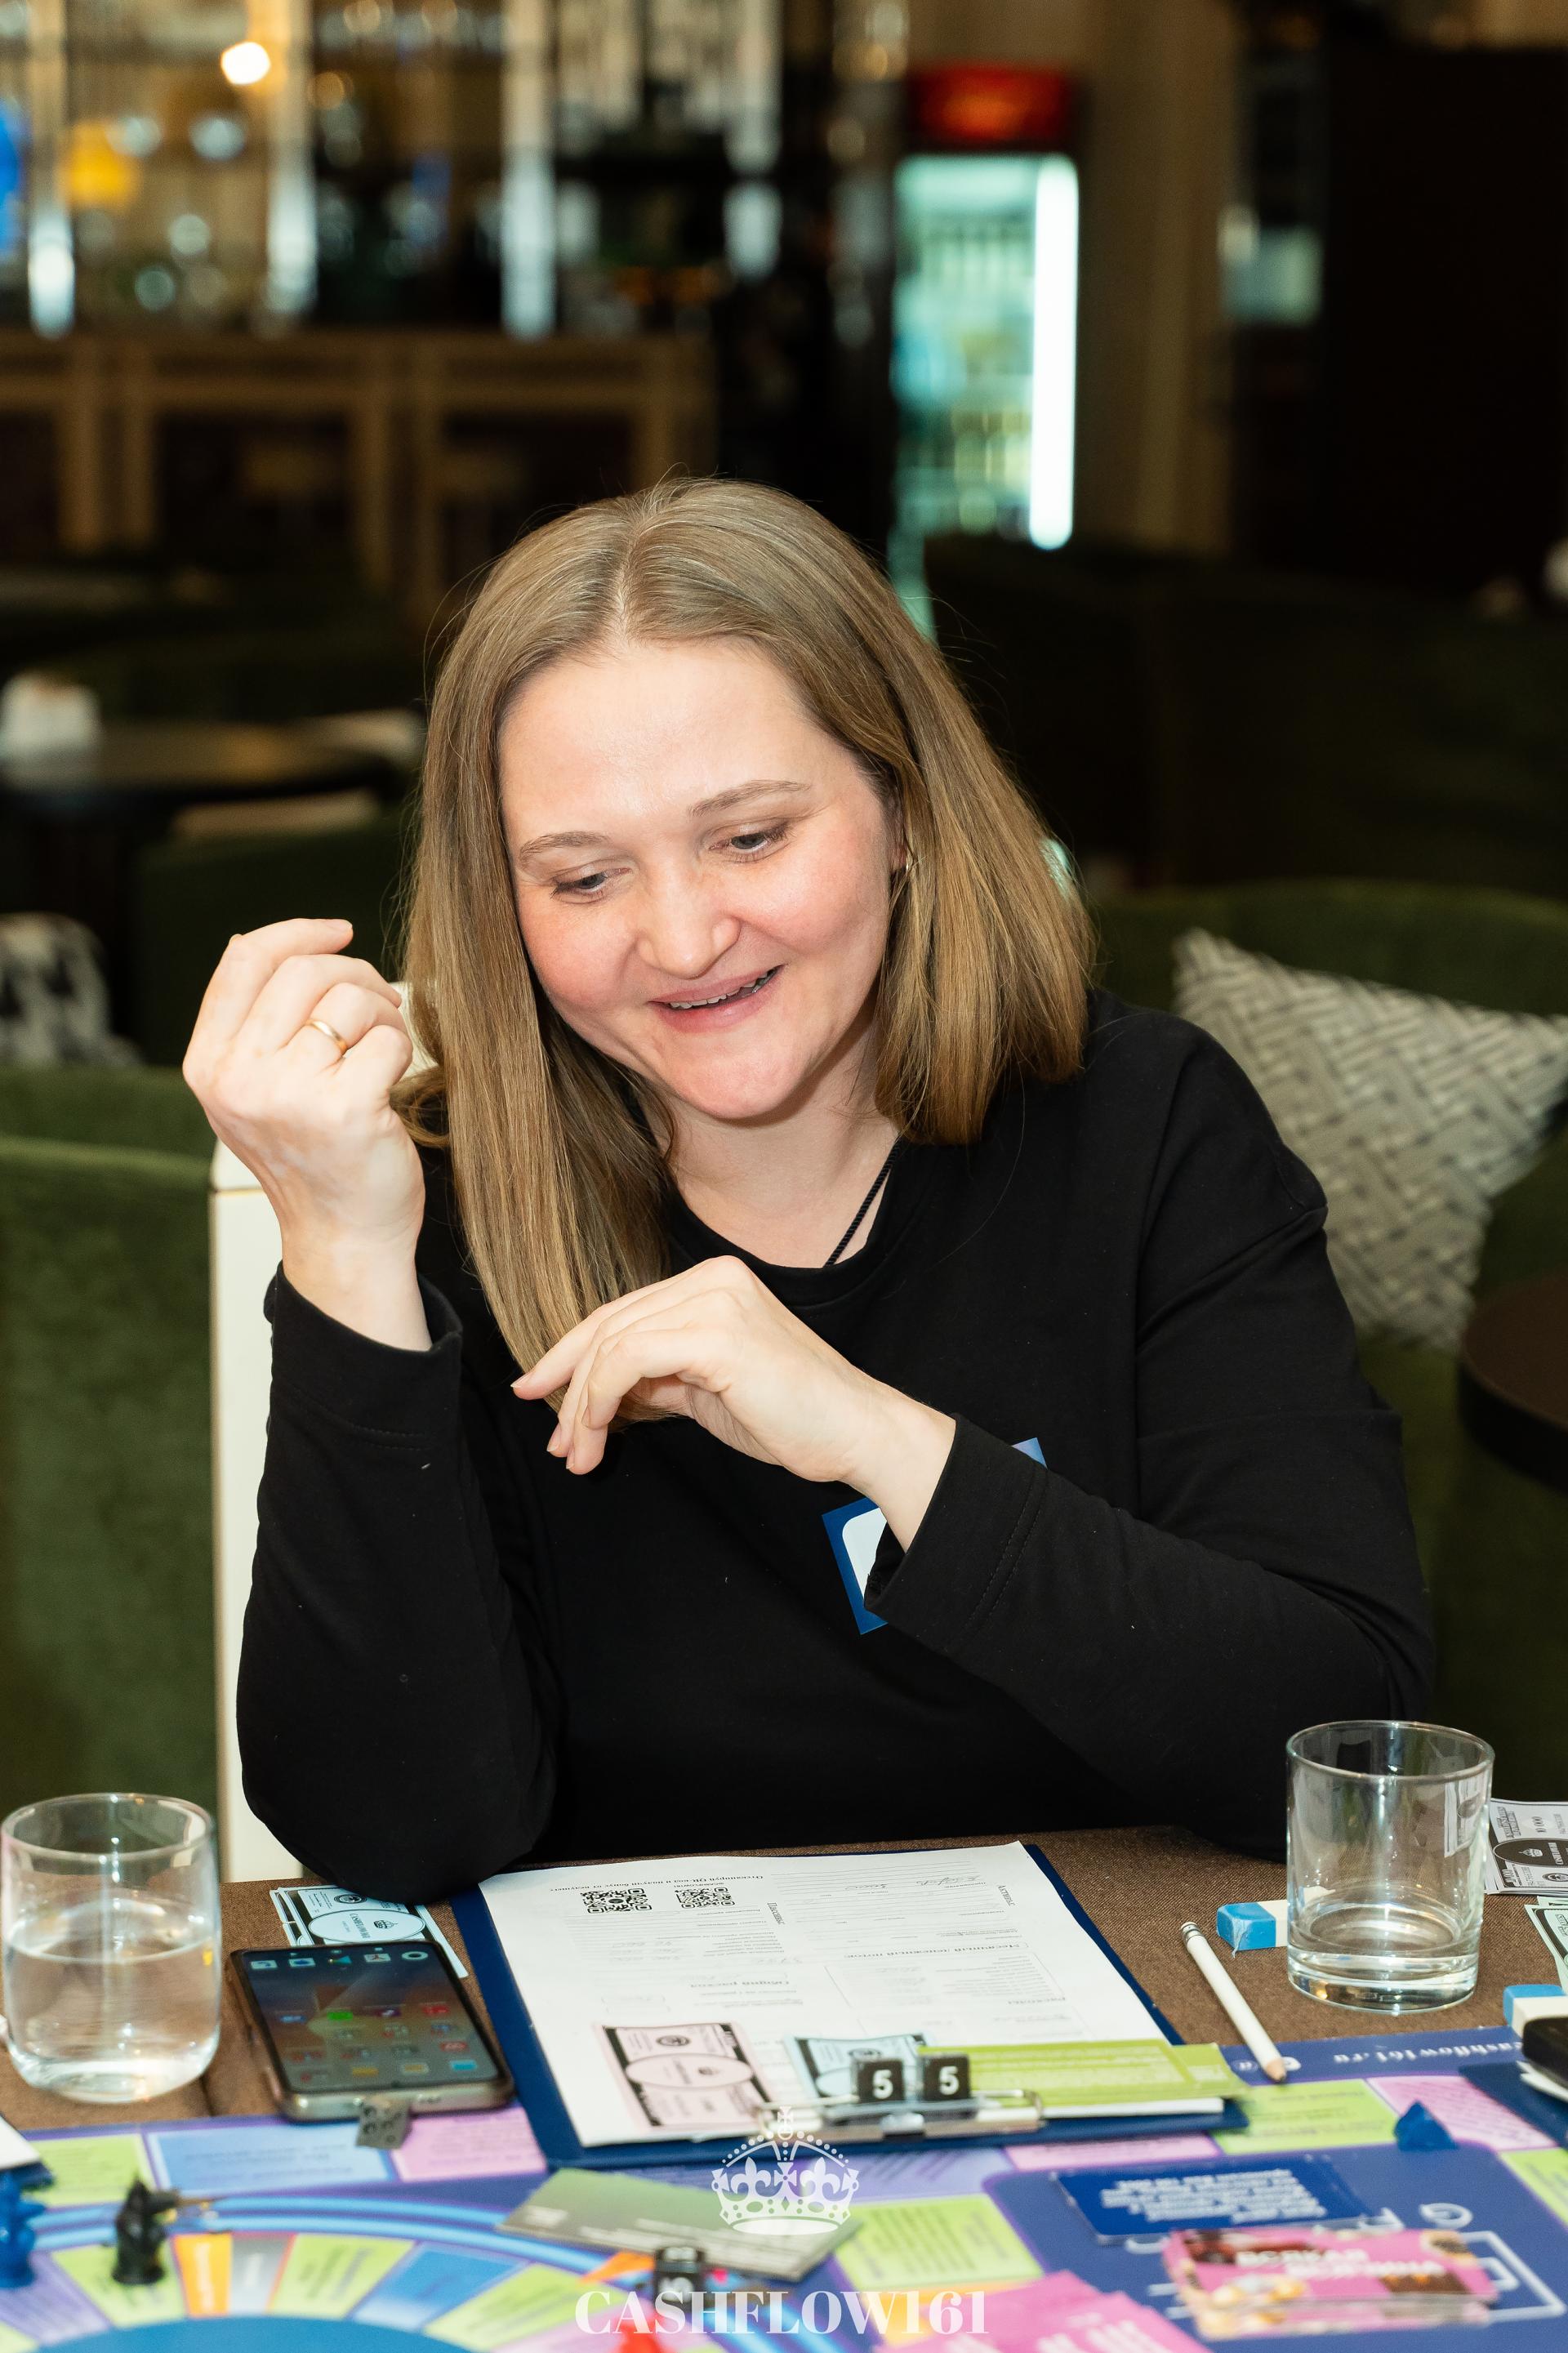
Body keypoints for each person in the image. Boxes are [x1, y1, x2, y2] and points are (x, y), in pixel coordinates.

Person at [185, 479, 1432, 1901]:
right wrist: (343, 1248)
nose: (681, 937)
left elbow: (1341, 1751)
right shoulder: (441, 1210)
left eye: (751, 837)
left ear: (903, 809)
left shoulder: (1150, 1127)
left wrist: (876, 1437)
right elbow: (392, 1833)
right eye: (584, 877)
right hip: (639, 2024)